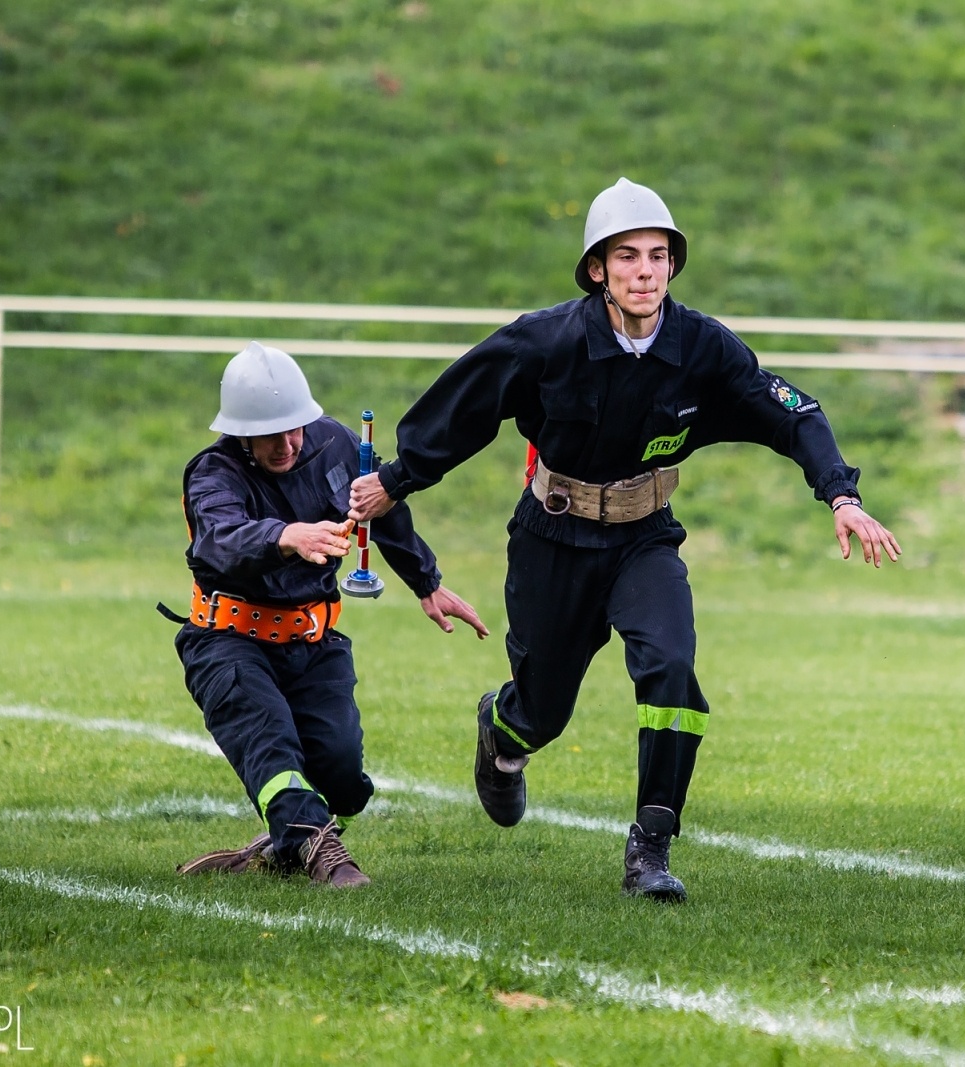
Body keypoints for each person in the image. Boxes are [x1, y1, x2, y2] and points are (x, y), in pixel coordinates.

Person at [349, 178, 900, 902]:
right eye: (628, 256)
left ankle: (651, 845)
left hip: (646, 540)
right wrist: (397, 477)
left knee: (672, 669)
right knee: (543, 709)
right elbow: (463, 408)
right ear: (598, 270)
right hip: (551, 539)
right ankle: (505, 732)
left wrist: (841, 493)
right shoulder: (545, 340)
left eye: (659, 256)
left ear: (673, 266)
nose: (646, 270)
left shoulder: (702, 347)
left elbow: (792, 410)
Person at [170, 341, 488, 887]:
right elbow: (219, 539)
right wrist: (288, 536)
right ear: (240, 431)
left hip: (314, 645)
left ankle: (288, 835)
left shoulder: (337, 442)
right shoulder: (211, 474)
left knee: (344, 785)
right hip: (228, 642)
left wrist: (427, 582)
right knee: (271, 744)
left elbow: (379, 506)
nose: (288, 443)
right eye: (271, 434)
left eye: (295, 427)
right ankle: (321, 852)